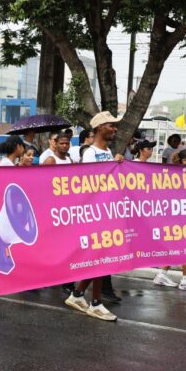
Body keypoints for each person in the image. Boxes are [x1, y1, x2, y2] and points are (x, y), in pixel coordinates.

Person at [65, 112, 123, 321]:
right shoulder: (90, 153)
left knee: (101, 258)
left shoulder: (107, 151)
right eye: (111, 126)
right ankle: (96, 303)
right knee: (101, 259)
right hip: (95, 214)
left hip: (106, 213)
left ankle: (78, 295)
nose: (115, 129)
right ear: (99, 128)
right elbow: (89, 183)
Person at [151, 148, 186, 292]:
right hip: (177, 217)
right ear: (184, 161)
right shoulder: (176, 175)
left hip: (182, 216)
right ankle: (185, 280)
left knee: (178, 247)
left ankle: (162, 275)